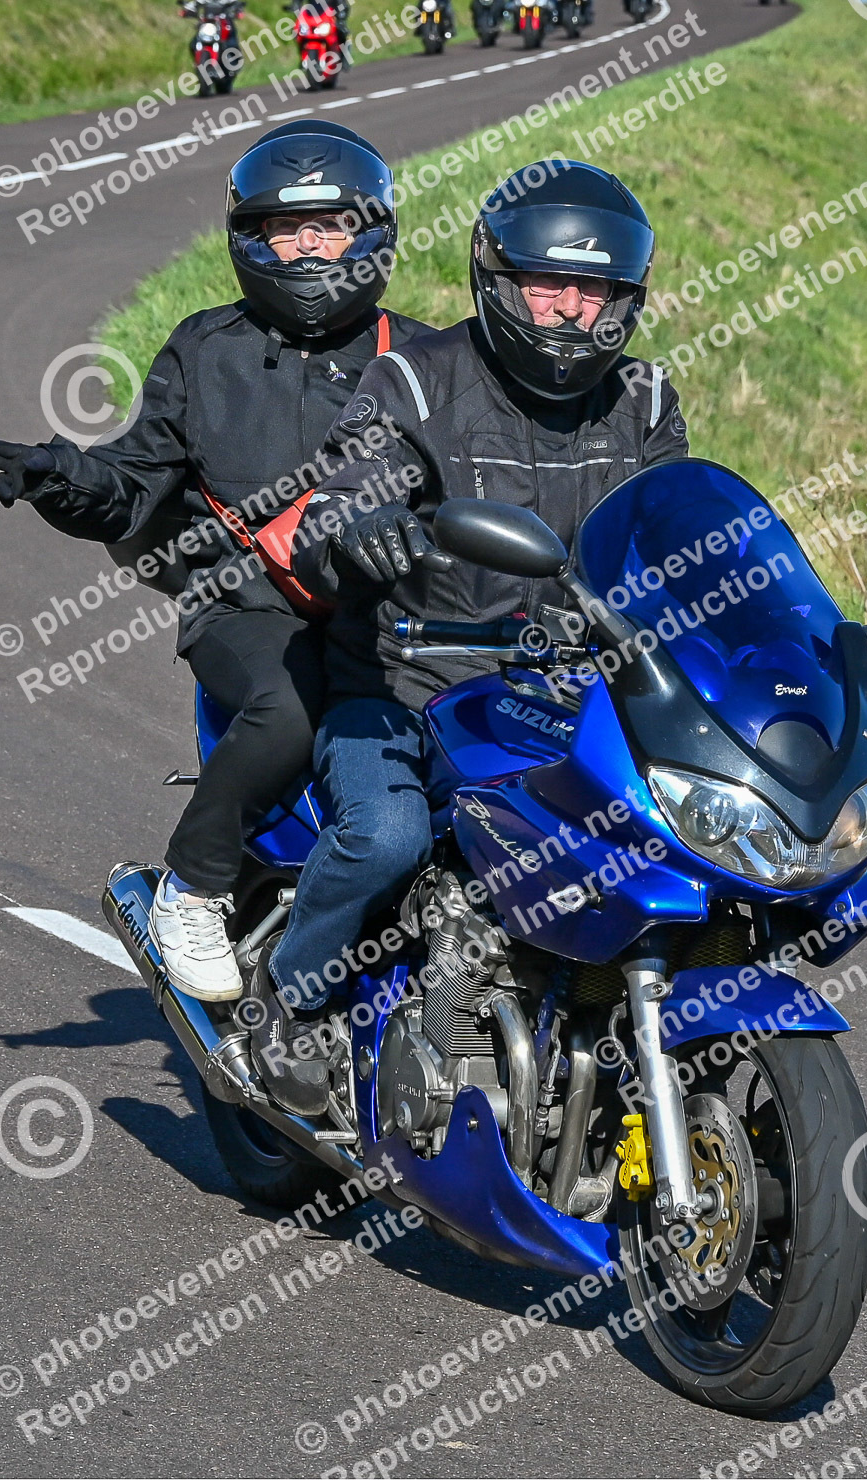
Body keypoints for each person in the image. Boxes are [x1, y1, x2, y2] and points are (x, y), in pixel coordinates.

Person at [245, 162, 689, 1109]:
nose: (572, 309)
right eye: (549, 283)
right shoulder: (415, 381)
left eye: (597, 290)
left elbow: (675, 537)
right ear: (497, 277)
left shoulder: (644, 402)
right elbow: (333, 506)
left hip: (570, 700)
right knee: (388, 836)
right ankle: (289, 1002)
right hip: (407, 685)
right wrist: (359, 529)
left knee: (678, 846)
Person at [0, 120, 431, 1004]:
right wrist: (63, 476)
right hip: (246, 605)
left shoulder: (423, 357)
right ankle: (193, 883)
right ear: (249, 239)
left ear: (370, 233)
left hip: (391, 614)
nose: (307, 247)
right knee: (291, 703)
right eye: (283, 229)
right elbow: (133, 481)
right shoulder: (205, 350)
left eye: (328, 227)